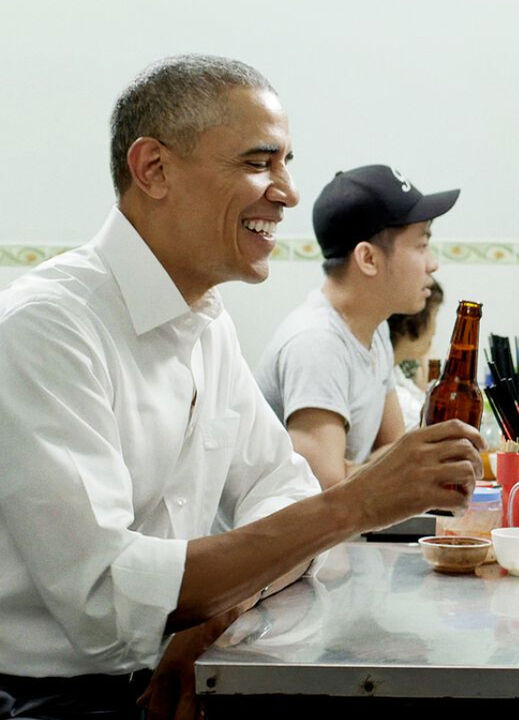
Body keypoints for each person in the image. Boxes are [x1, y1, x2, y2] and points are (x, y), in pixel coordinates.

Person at [0, 55, 482, 719]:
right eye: (260, 163)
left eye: (286, 163)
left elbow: (279, 490)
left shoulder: (205, 323)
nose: (286, 192)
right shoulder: (47, 328)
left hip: (183, 665)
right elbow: (107, 597)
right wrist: (356, 505)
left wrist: (212, 612)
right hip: (57, 701)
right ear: (154, 170)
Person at [256, 165, 458, 489]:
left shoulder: (374, 330)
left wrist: (364, 466)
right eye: (421, 246)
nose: (433, 264)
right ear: (368, 259)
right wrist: (372, 465)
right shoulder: (317, 344)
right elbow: (324, 490)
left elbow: (395, 450)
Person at [387, 279, 445, 431]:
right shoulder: (388, 386)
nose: (434, 331)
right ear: (415, 319)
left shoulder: (395, 373)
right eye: (434, 315)